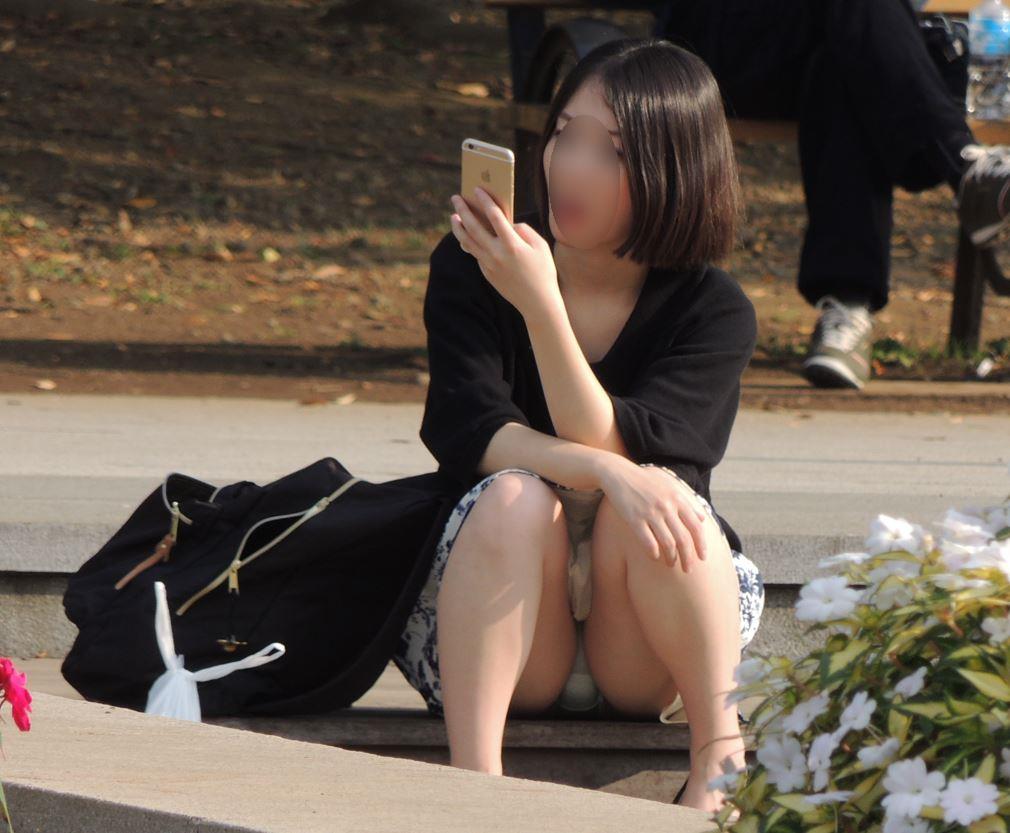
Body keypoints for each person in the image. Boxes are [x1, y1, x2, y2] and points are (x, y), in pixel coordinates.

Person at [391, 38, 765, 820]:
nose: (572, 167)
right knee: (514, 495)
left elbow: (622, 444)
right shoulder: (473, 265)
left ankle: (718, 761)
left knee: (656, 497)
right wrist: (602, 471)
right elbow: (470, 431)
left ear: (675, 168)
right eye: (565, 134)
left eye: (612, 150)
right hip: (503, 626)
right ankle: (473, 790)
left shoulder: (713, 310)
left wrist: (542, 308)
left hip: (646, 643)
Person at [654, 0, 1010, 389]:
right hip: (718, 46)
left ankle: (847, 305)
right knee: (854, 43)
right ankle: (962, 164)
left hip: (847, 44)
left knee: (840, 67)